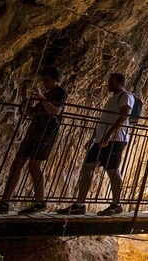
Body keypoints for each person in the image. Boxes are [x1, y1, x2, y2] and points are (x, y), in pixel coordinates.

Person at [0, 67, 67, 215]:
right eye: (44, 79)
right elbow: (32, 113)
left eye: (47, 80)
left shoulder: (61, 92)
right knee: (17, 163)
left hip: (46, 133)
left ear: (56, 80)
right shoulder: (47, 93)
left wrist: (41, 98)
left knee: (33, 165)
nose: (44, 82)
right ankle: (4, 202)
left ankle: (40, 201)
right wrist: (26, 100)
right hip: (34, 131)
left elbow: (55, 111)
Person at [57, 73, 134, 216]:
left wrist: (108, 134)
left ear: (120, 83)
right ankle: (79, 204)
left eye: (111, 81)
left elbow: (124, 116)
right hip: (101, 139)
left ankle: (116, 204)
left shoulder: (126, 96)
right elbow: (104, 119)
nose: (108, 84)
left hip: (115, 139)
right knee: (87, 167)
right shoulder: (112, 99)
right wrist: (94, 137)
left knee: (112, 170)